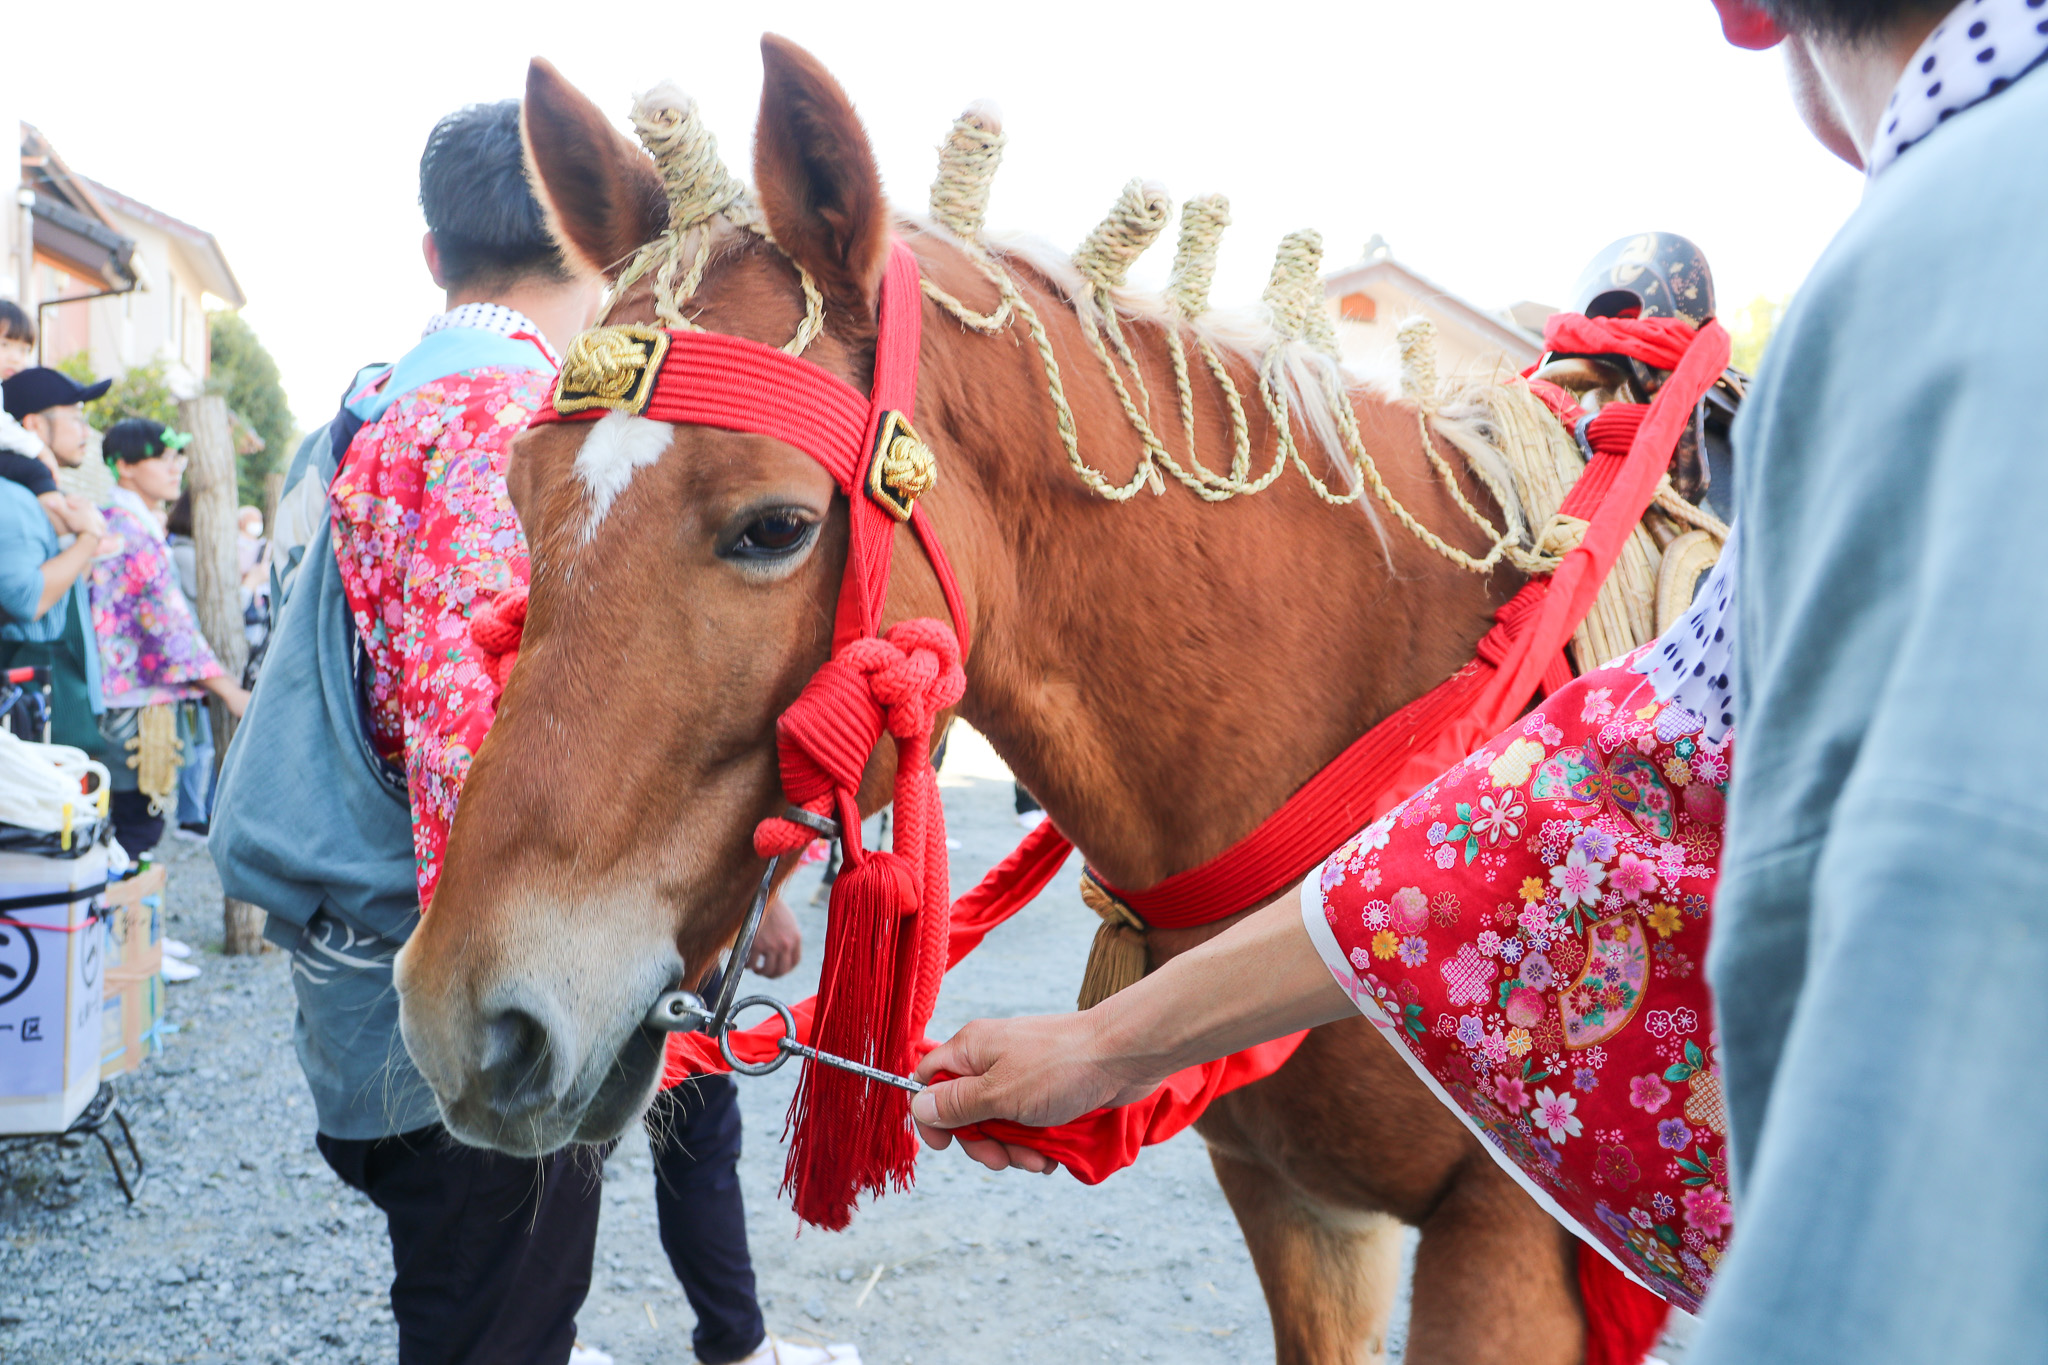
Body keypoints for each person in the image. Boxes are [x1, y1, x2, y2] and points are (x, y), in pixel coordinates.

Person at [914, 2, 2048, 1360]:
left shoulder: (1942, 248)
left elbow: (1968, 903)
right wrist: (1110, 1046)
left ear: (1751, 18)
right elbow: (1558, 813)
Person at [212, 100, 846, 1365]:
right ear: (609, 244)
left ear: (432, 256)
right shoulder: (505, 424)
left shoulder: (366, 411)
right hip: (487, 964)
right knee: (491, 1317)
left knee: (461, 1305)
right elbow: (476, 739)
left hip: (366, 945)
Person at [88, 417, 248, 859]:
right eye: (162, 457)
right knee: (133, 827)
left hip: (125, 697)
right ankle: (125, 925)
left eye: (177, 456)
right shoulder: (129, 531)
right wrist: (229, 691)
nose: (175, 466)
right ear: (125, 466)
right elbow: (168, 624)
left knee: (122, 823)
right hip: (130, 706)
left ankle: (127, 922)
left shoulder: (122, 522)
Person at [0, 365, 111, 760]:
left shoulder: (41, 498)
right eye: (76, 417)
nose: (86, 431)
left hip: (55, 695)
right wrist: (88, 539)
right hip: (31, 705)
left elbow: (63, 590)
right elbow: (27, 600)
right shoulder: (12, 500)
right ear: (33, 424)